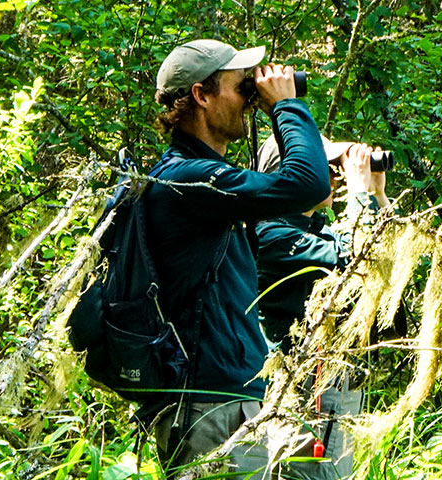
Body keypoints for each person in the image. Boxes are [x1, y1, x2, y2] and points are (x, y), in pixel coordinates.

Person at [141, 38, 331, 477]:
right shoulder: (187, 178)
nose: (250, 96)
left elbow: (303, 198)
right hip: (204, 404)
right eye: (240, 86)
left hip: (235, 396)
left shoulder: (212, 181)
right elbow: (307, 183)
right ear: (201, 96)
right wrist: (285, 107)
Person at [249, 138, 392, 480]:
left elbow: (388, 260)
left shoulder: (315, 230)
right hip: (296, 399)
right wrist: (358, 195)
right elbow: (359, 254)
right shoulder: (270, 232)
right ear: (288, 173)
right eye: (317, 165)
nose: (329, 175)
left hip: (332, 397)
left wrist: (377, 196)